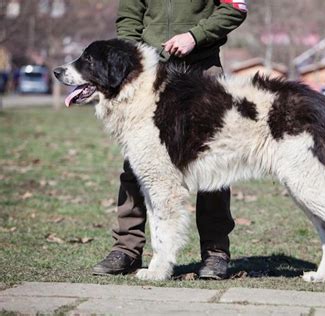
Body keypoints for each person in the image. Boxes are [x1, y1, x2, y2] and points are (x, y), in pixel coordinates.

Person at [92, 0, 247, 279]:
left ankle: (215, 253)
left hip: (202, 71)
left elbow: (235, 8)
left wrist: (194, 37)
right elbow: (128, 17)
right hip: (148, 73)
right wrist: (133, 57)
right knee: (137, 165)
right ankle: (126, 249)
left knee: (214, 166)